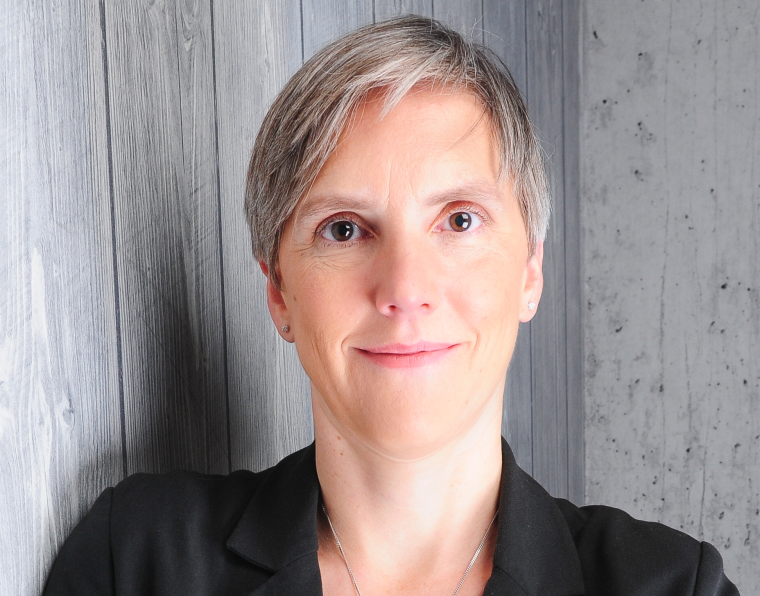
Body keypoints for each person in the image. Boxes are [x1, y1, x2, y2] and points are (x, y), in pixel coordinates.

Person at [44, 16, 739, 596]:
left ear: (531, 271)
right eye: (344, 230)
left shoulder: (673, 586)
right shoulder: (137, 561)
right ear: (279, 292)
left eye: (459, 220)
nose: (405, 288)